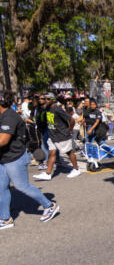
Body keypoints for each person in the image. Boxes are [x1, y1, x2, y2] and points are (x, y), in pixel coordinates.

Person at [0, 91, 60, 230]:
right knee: (1, 188)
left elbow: (3, 140)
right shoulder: (3, 115)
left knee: (21, 186)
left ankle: (49, 206)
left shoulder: (9, 116)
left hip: (14, 158)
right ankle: (5, 218)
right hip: (3, 158)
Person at [33, 97, 81, 180]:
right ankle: (48, 174)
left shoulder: (57, 109)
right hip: (52, 136)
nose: (44, 100)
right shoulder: (47, 109)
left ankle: (76, 169)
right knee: (52, 153)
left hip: (61, 135)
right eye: (43, 99)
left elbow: (72, 120)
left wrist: (69, 130)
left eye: (47, 99)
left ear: (53, 100)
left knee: (69, 152)